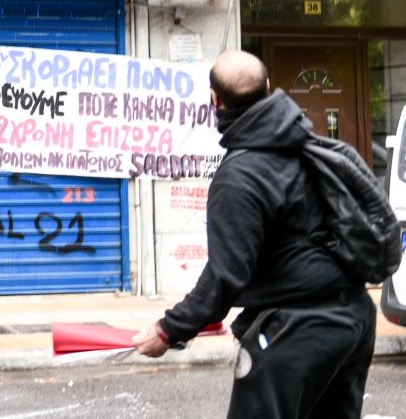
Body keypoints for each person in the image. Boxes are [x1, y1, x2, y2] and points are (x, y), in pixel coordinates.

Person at [132, 49, 377, 419]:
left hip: (296, 329)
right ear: (268, 86)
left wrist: (168, 330)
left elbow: (226, 276)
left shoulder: (239, 176)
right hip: (355, 317)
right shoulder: (312, 148)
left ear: (214, 99)